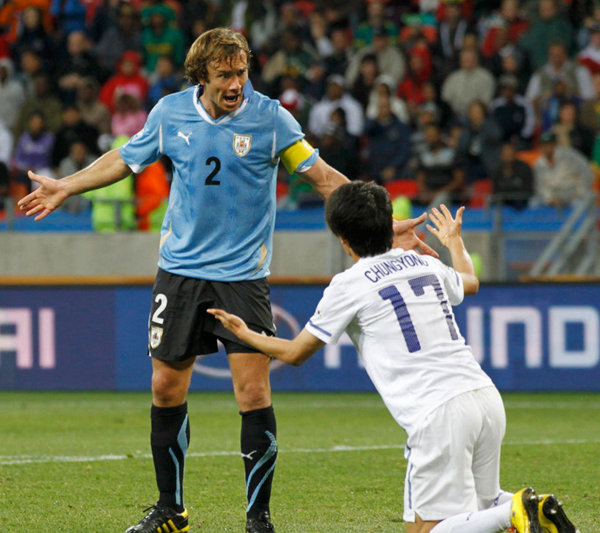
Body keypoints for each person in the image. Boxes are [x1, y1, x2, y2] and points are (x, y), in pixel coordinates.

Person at [18, 28, 433, 533]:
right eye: (225, 75)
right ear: (201, 75)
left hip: (242, 277)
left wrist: (380, 224)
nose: (236, 84)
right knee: (166, 387)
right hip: (180, 272)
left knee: (253, 394)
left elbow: (324, 178)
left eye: (241, 72)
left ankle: (258, 518)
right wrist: (66, 185)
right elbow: (124, 160)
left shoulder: (272, 119)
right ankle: (170, 510)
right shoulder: (170, 113)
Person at [209, 181, 580, 533]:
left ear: (342, 238)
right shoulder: (424, 263)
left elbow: (295, 352)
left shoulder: (348, 284)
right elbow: (471, 280)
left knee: (428, 528)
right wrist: (453, 241)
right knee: (480, 510)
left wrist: (245, 334)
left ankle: (522, 509)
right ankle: (523, 509)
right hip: (484, 396)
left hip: (438, 414)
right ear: (389, 223)